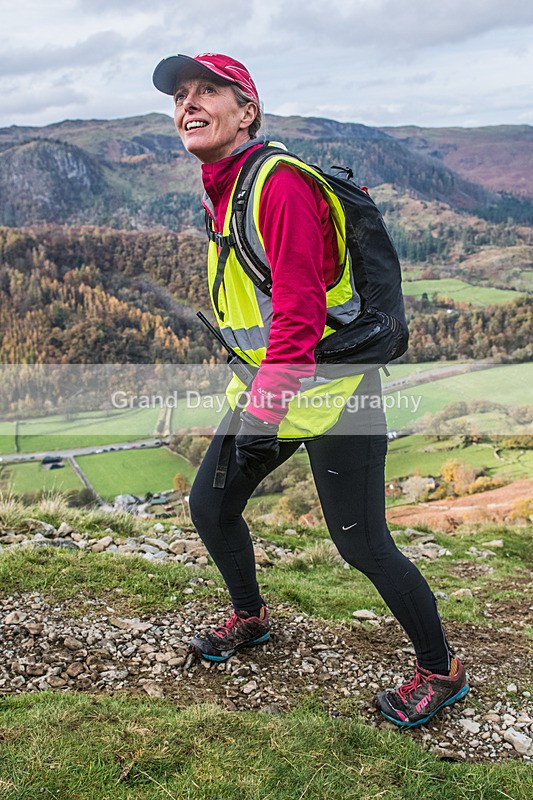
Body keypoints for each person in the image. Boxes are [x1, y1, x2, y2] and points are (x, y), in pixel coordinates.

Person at [152, 52, 469, 727]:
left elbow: (298, 311)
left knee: (362, 544)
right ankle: (251, 615)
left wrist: (264, 412)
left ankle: (441, 671)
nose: (189, 104)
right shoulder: (224, 187)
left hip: (333, 395)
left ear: (248, 111)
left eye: (207, 91)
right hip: (272, 387)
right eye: (180, 96)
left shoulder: (278, 184)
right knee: (210, 507)